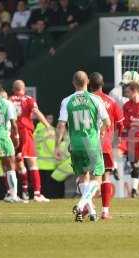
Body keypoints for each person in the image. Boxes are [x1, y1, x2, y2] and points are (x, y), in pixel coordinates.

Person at [55, 71, 110, 222]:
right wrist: (102, 132)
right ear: (87, 82)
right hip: (91, 144)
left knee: (83, 178)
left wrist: (57, 146)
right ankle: (80, 205)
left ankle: (92, 213)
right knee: (97, 180)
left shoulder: (67, 101)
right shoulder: (95, 99)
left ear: (73, 83)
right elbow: (108, 122)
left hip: (75, 145)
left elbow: (61, 125)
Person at [89, 72, 123, 219]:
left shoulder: (86, 101)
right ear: (102, 84)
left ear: (89, 84)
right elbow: (121, 124)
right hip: (105, 145)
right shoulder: (111, 101)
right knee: (105, 177)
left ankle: (88, 207)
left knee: (90, 178)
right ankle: (105, 211)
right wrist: (117, 139)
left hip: (88, 144)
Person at [9, 80, 51, 202]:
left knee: (18, 162)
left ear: (13, 89)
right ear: (24, 88)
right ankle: (37, 194)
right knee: (32, 163)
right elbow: (36, 112)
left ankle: (23, 192)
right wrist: (47, 125)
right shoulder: (28, 99)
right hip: (25, 132)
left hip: (12, 133)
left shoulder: (9, 100)